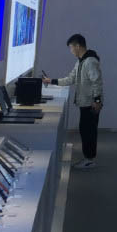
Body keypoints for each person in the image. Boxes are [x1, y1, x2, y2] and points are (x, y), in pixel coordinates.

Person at [44, 33, 103, 170]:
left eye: (71, 47)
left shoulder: (90, 61)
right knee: (85, 130)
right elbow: (70, 79)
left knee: (89, 131)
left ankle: (89, 159)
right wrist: (51, 81)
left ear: (77, 46)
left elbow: (97, 82)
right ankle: (88, 158)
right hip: (85, 102)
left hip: (91, 103)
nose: (71, 50)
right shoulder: (80, 62)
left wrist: (97, 100)